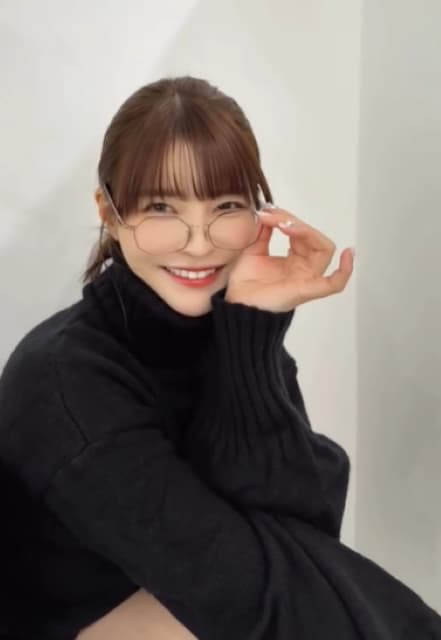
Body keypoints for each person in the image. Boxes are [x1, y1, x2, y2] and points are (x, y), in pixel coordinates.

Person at [0, 75, 439, 640]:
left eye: (226, 205)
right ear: (109, 213)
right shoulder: (67, 382)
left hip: (174, 595)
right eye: (162, 207)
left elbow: (305, 530)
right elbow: (242, 593)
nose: (199, 242)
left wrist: (254, 329)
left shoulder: (224, 333)